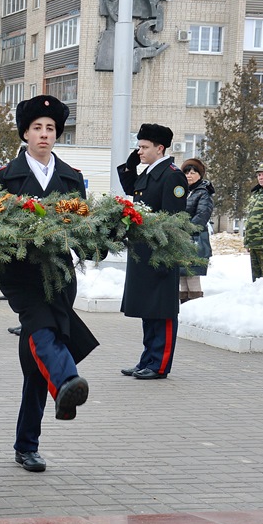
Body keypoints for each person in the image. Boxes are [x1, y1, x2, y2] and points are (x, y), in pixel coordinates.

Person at [0, 94, 96, 472]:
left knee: (35, 364)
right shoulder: (3, 177)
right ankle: (67, 380)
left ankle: (26, 445)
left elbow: (82, 227)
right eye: (37, 128)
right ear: (25, 133)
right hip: (21, 274)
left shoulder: (71, 177)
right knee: (43, 330)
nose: (44, 134)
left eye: (50, 128)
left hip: (60, 275)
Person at [117, 124, 187, 379]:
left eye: (144, 147)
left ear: (160, 148)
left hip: (161, 252)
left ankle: (159, 365)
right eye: (139, 146)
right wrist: (130, 163)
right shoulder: (150, 173)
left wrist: (164, 252)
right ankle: (147, 359)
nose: (140, 151)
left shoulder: (172, 176)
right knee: (149, 310)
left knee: (163, 311)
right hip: (144, 251)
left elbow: (173, 219)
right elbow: (131, 189)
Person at [179, 158, 214, 302]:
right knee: (182, 273)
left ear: (200, 174)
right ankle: (183, 304)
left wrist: (185, 230)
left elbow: (202, 215)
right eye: (186, 172)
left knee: (192, 273)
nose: (189, 175)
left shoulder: (203, 192)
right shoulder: (183, 191)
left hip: (195, 237)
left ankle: (194, 304)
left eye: (193, 172)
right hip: (181, 237)